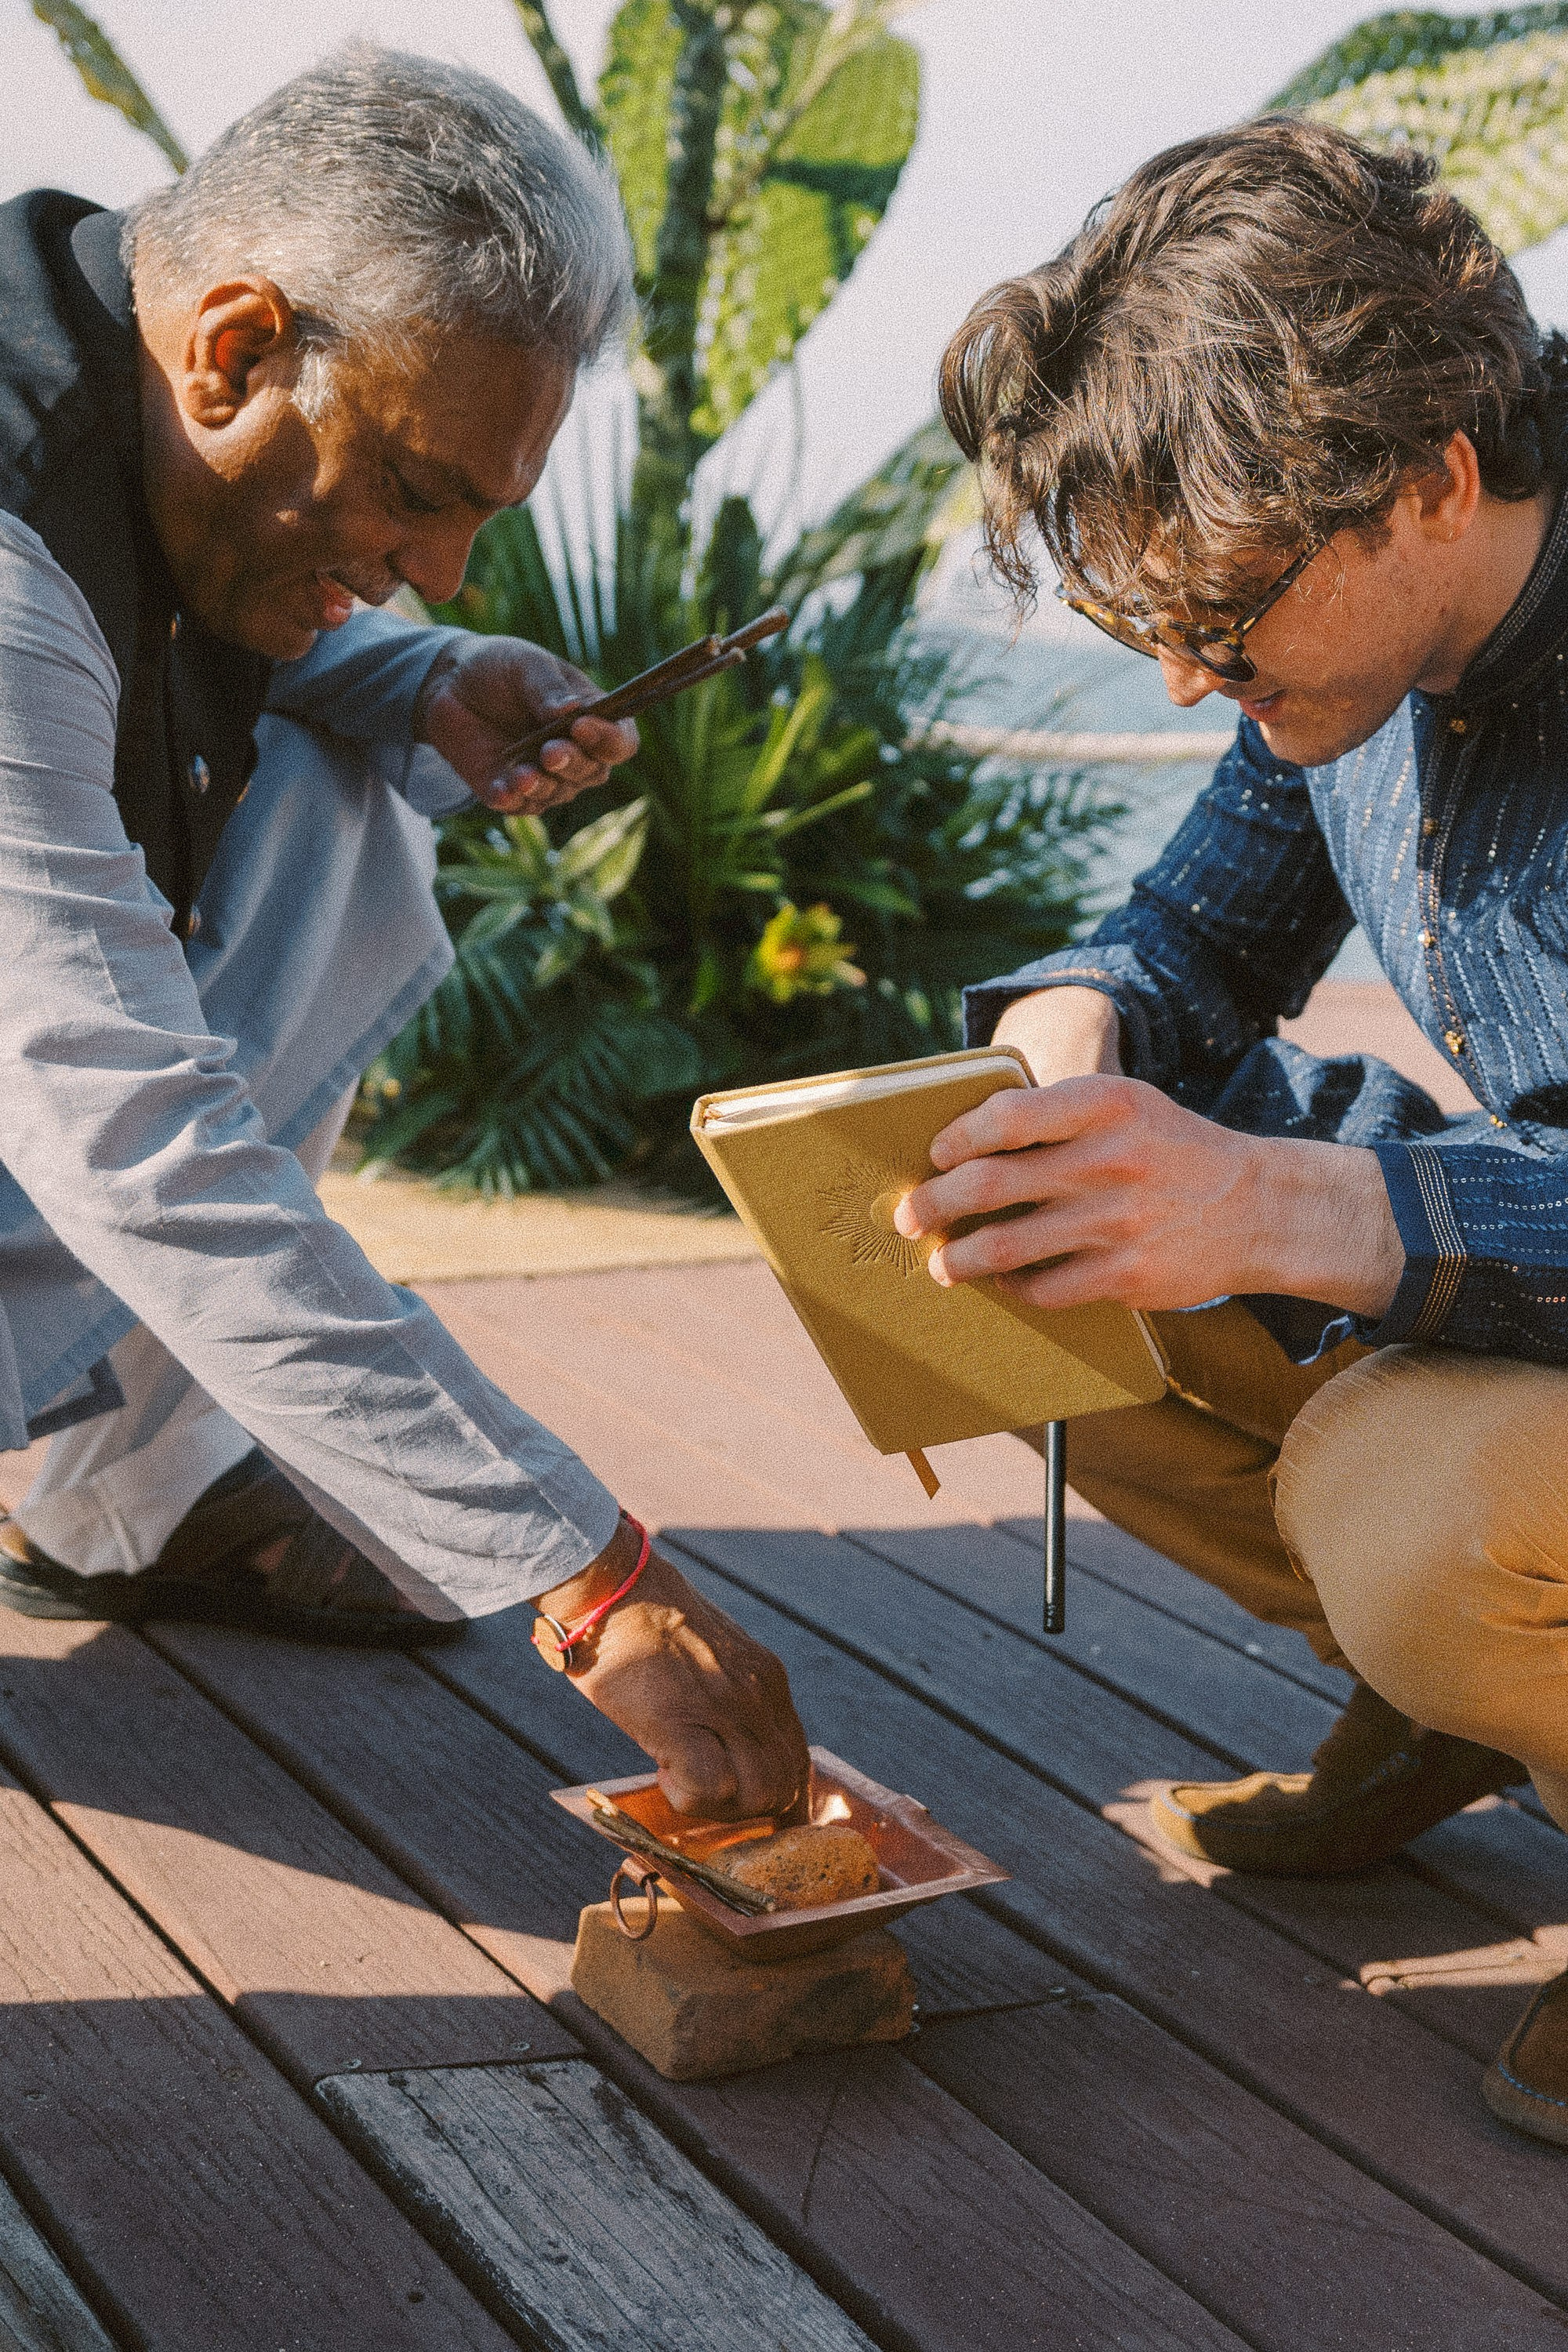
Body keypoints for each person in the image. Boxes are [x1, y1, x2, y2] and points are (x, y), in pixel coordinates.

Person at [0, 45, 808, 1828]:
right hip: (73, 1127)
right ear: (233, 349)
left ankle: (131, 1491)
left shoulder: (112, 356)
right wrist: (591, 1576)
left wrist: (426, 676)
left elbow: (152, 615)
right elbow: (129, 1136)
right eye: (418, 491)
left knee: (335, 783)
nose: (442, 566)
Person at [905, 114, 1568, 2144]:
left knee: (1412, 1508)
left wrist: (1274, 1202)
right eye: (1155, 626)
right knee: (994, 1249)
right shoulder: (1357, 655)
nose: (1192, 676)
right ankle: (1460, 1717)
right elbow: (1187, 939)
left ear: (1431, 479)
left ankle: (1465, 1652)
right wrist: (1068, 1045)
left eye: (1225, 615)